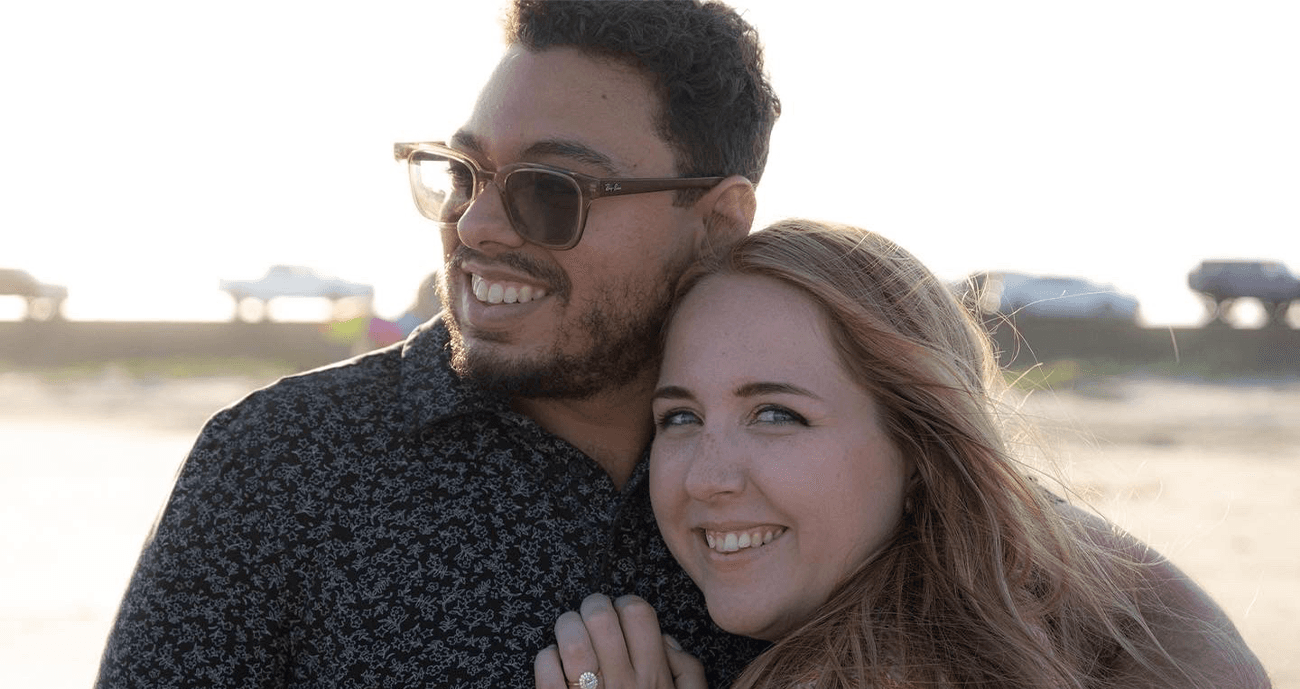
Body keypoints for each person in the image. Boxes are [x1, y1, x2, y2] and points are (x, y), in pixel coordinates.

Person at [96, 1, 779, 687]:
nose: (476, 225)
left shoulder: (810, 485)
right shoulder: (274, 468)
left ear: (717, 224)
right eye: (463, 174)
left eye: (550, 190)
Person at [535, 219, 1270, 688]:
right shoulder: (1027, 626)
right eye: (681, 416)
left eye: (776, 413)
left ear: (920, 445)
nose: (708, 476)